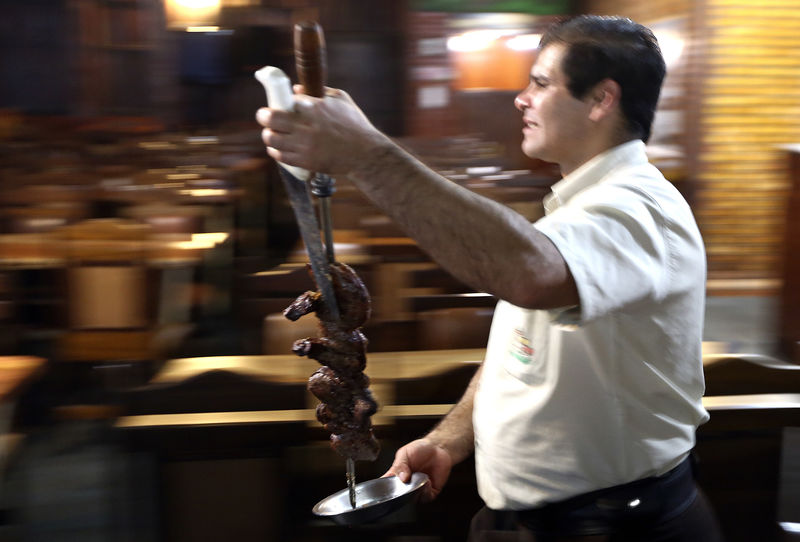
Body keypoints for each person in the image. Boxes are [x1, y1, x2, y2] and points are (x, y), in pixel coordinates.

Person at [257, 14, 723, 542]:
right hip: (530, 522)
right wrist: (450, 440)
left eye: (541, 84)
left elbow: (529, 274)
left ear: (601, 100)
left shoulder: (640, 209)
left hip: (614, 526)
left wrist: (365, 154)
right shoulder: (579, 210)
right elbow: (521, 358)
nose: (521, 99)